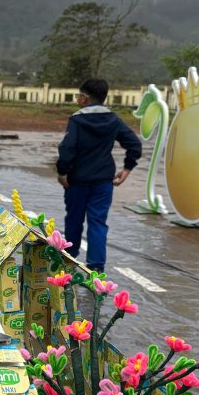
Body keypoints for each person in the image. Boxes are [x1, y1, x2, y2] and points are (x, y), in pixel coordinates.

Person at [56, 77, 142, 273]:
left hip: (77, 181)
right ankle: (96, 268)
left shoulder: (77, 120)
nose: (78, 99)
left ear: (85, 98)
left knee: (74, 220)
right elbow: (134, 144)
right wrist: (127, 169)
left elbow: (67, 148)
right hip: (103, 182)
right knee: (98, 222)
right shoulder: (113, 119)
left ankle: (69, 263)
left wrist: (62, 172)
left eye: (79, 96)